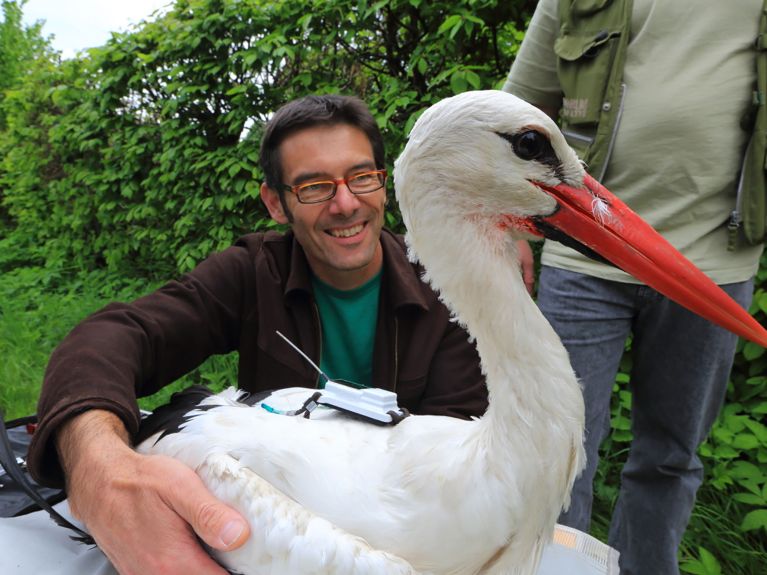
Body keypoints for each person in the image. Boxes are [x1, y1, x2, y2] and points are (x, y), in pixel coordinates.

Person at [25, 94, 488, 575]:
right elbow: (114, 337)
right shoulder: (252, 273)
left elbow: (458, 474)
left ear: (383, 183)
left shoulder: (449, 289)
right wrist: (98, 464)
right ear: (276, 203)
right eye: (314, 187)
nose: (346, 204)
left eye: (361, 177)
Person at [504, 1, 765, 574]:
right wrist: (510, 231)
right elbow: (517, 106)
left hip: (713, 264)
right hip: (585, 255)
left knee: (670, 457)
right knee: (560, 454)